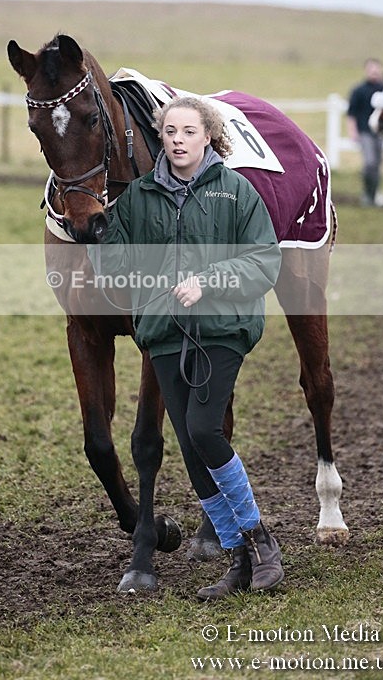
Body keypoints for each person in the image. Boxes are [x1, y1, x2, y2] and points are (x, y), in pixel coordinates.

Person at [92, 96, 284, 600]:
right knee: (193, 450)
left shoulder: (235, 191)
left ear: (208, 137)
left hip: (221, 328)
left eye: (189, 131)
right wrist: (97, 228)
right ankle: (239, 559)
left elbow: (264, 261)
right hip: (163, 332)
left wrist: (208, 281)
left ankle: (260, 539)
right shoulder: (138, 198)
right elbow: (114, 268)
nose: (178, 140)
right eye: (170, 131)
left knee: (204, 429)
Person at [347, 58, 383, 206]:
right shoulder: (359, 90)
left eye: (376, 69)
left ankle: (375, 194)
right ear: (366, 70)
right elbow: (351, 113)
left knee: (378, 164)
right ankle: (367, 193)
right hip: (365, 131)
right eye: (371, 69)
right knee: (369, 162)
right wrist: (353, 131)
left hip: (381, 133)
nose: (374, 72)